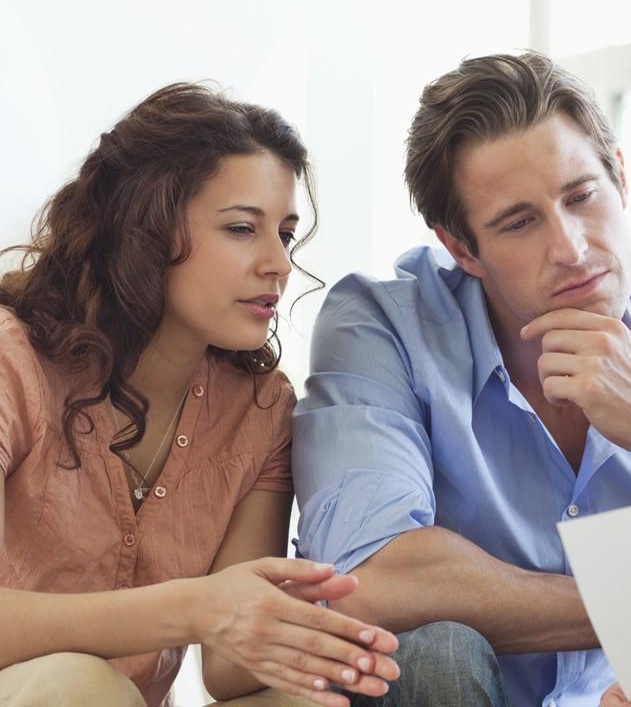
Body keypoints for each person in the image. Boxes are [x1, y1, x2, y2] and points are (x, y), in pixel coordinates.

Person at [292, 53, 631, 707]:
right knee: (430, 655)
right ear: (462, 249)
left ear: (620, 178)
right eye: (520, 222)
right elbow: (371, 578)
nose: (571, 248)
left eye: (582, 196)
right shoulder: (384, 327)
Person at [0, 83, 400, 707]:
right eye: (242, 228)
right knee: (76, 684)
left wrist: (323, 639)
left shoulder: (260, 408)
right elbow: (199, 618)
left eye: (286, 234)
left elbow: (229, 671)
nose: (278, 263)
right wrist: (191, 607)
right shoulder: (11, 361)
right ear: (143, 232)